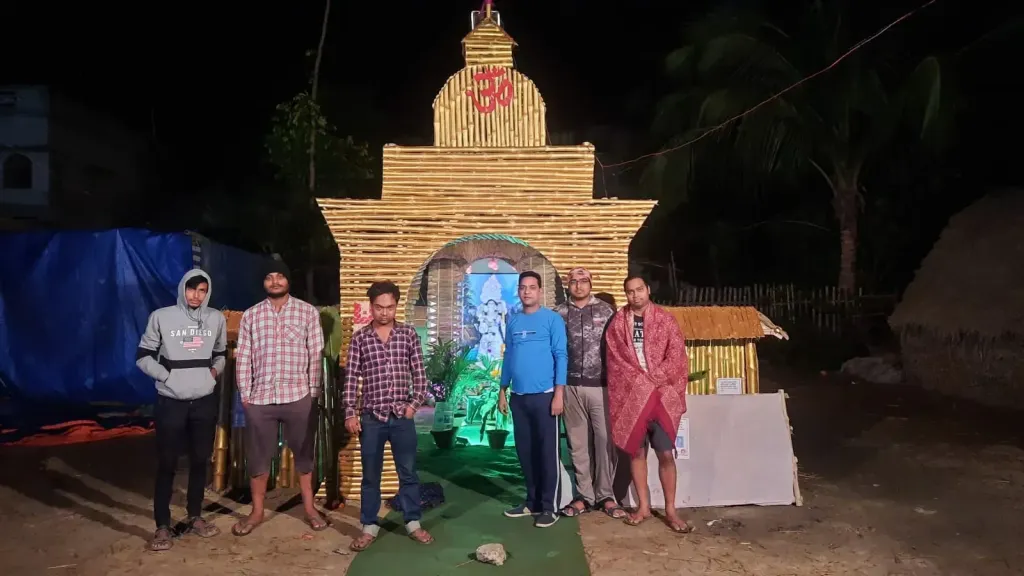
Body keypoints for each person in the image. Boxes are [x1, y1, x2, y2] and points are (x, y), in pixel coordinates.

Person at [232, 260, 327, 536]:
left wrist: (313, 392)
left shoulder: (307, 312)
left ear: (288, 280)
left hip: (298, 396)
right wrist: (246, 395)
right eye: (269, 277)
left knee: (304, 457)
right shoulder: (251, 315)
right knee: (258, 458)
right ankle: (257, 512)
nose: (274, 281)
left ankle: (309, 509)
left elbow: (315, 353)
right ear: (263, 282)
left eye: (279, 276)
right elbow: (244, 356)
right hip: (260, 399)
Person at [136, 269, 227, 551]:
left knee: (201, 460)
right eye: (191, 289)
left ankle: (195, 516)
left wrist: (212, 374)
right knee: (167, 463)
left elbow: (221, 353)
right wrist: (167, 377)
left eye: (202, 290)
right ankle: (162, 526)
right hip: (171, 400)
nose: (196, 296)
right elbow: (143, 356)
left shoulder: (216, 318)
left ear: (207, 292)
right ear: (182, 289)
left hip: (203, 400)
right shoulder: (161, 317)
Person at [343, 281, 434, 551]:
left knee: (408, 473)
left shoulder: (408, 334)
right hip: (372, 417)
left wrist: (413, 404)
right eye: (379, 307)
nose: (384, 313)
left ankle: (413, 522)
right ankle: (369, 526)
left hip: (402, 417)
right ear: (371, 307)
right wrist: (350, 412)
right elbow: (351, 378)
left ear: (396, 306)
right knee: (371, 475)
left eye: (390, 307)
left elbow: (420, 374)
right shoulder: (360, 338)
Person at [604, 274, 692, 533]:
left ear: (648, 290)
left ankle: (671, 510)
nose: (635, 295)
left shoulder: (666, 320)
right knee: (637, 452)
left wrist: (652, 379)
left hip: (661, 396)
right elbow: (615, 360)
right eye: (630, 291)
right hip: (633, 396)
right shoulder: (618, 323)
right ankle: (643, 506)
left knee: (665, 453)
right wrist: (639, 384)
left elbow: (676, 356)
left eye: (639, 289)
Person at [498, 271, 568, 528]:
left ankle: (550, 507)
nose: (527, 291)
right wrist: (503, 389)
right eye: (523, 287)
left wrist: (559, 393)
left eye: (532, 287)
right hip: (519, 397)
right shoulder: (513, 321)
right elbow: (509, 356)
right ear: (518, 291)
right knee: (525, 452)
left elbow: (561, 356)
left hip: (546, 396)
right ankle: (532, 502)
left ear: (539, 291)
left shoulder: (552, 319)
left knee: (547, 453)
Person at [554, 267, 625, 519]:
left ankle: (606, 495)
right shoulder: (558, 314)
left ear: (591, 283)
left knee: (605, 441)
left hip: (601, 387)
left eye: (583, 281)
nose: (579, 285)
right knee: (578, 444)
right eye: (574, 281)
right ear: (568, 285)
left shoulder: (607, 312)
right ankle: (584, 496)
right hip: (570, 386)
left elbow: (619, 349)